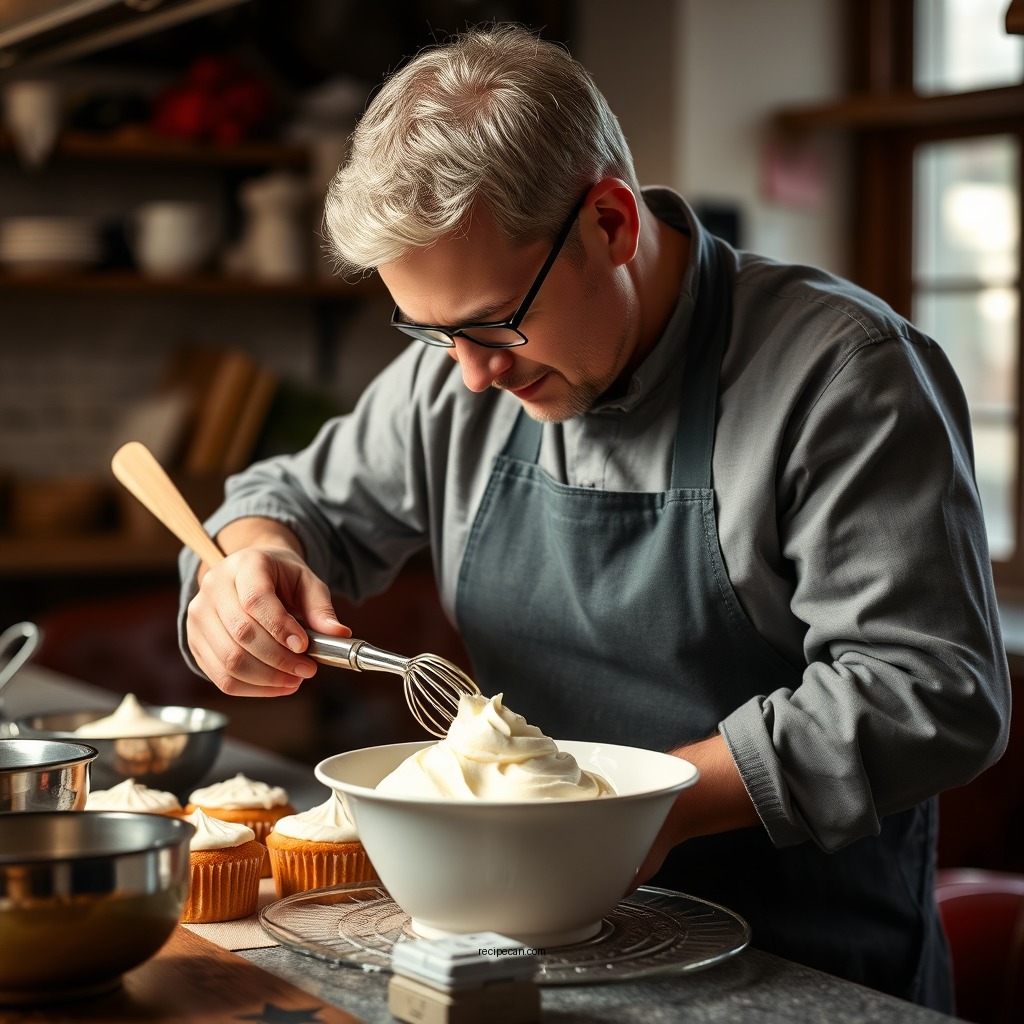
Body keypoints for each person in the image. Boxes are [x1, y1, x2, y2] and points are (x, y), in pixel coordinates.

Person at [178, 24, 1010, 1010]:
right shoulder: (458, 378)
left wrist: (646, 806)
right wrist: (245, 565)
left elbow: (931, 689)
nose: (471, 374)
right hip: (523, 962)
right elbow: (286, 502)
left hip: (803, 968)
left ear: (610, 224)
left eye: (490, 324)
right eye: (430, 332)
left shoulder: (842, 373)